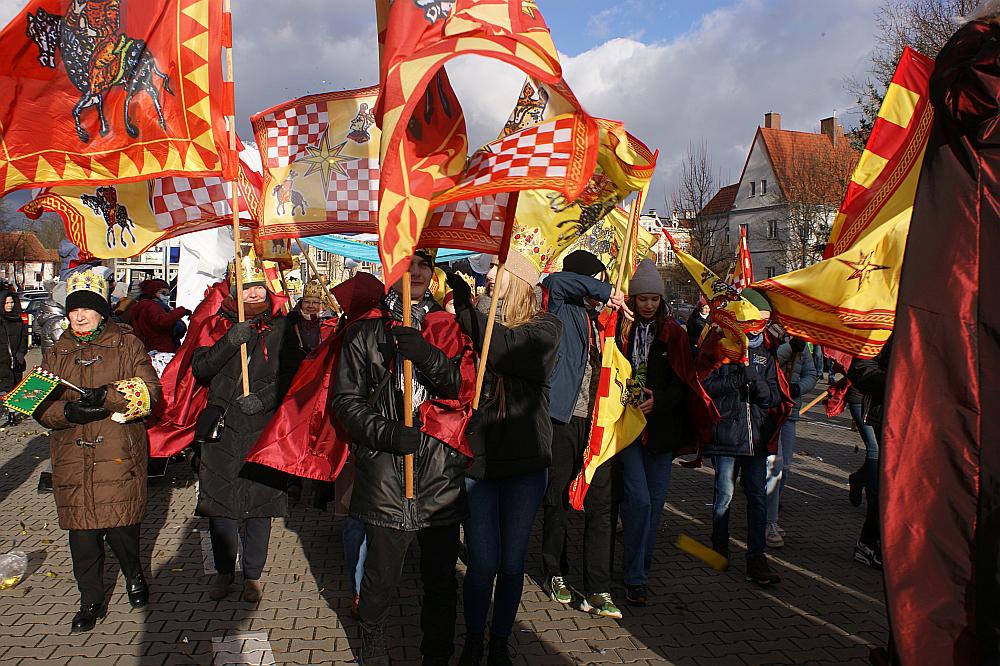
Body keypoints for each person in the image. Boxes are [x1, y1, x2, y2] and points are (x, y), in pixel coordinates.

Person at [331, 250, 476, 666]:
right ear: (390, 270)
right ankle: (371, 651)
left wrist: (427, 355)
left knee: (441, 583)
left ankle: (437, 657)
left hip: (439, 477)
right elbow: (345, 403)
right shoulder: (366, 332)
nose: (415, 272)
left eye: (424, 266)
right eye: (407, 264)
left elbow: (461, 389)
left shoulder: (448, 327)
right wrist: (389, 433)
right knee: (378, 581)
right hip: (385, 478)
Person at [449, 251, 561, 665]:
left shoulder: (546, 327)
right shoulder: (481, 319)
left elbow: (503, 349)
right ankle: (474, 638)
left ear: (518, 279)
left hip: (525, 463)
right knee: (482, 561)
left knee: (512, 562)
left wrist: (465, 305)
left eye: (498, 272)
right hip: (480, 460)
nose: (489, 278)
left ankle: (499, 641)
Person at [32, 269, 161, 632]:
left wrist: (108, 397)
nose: (79, 316)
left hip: (118, 450)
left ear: (102, 311)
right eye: (73, 311)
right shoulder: (57, 350)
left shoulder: (127, 344)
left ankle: (134, 574)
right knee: (82, 536)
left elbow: (151, 392)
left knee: (121, 529)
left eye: (87, 310)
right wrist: (65, 412)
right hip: (73, 454)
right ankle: (90, 600)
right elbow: (33, 403)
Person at [190, 256, 303, 602]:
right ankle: (224, 572)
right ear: (235, 289)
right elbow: (200, 369)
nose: (253, 292)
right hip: (221, 430)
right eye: (246, 287)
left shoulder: (283, 327)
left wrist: (264, 400)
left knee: (258, 507)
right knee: (220, 507)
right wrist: (229, 342)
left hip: (261, 429)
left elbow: (292, 377)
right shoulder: (215, 324)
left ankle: (252, 574)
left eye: (257, 286)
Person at [541, 250, 630, 619]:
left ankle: (599, 586)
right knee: (558, 499)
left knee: (602, 508)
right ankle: (555, 572)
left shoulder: (606, 321)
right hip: (565, 419)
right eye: (594, 279)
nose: (598, 289)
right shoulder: (561, 305)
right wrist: (606, 288)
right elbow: (556, 281)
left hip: (601, 425)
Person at [614, 259, 709, 606]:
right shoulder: (621, 330)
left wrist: (660, 400)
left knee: (653, 505)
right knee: (637, 500)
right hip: (627, 427)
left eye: (654, 298)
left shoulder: (675, 333)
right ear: (634, 299)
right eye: (643, 299)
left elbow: (685, 383)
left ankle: (639, 570)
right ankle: (633, 572)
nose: (648, 305)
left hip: (661, 432)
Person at [702, 288, 782, 585]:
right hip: (727, 437)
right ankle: (719, 548)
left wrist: (756, 381)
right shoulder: (718, 346)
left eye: (763, 320)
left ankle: (756, 558)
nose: (758, 326)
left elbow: (772, 397)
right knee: (724, 495)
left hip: (756, 440)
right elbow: (706, 388)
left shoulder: (766, 354)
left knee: (758, 499)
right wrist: (735, 377)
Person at [764, 333, 817, 548]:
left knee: (785, 468)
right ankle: (769, 522)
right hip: (769, 411)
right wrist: (788, 348)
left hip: (790, 412)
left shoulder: (802, 341)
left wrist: (797, 388)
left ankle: (770, 511)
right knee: (774, 467)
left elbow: (812, 373)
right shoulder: (768, 336)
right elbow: (768, 363)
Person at [847, 336, 892, 570]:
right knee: (889, 484)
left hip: (929, 417)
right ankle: (870, 543)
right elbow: (861, 368)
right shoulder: (886, 323)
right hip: (889, 415)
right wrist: (899, 380)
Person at [129, 279, 190, 353]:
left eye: (168, 294)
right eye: (163, 293)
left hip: (152, 347)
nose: (166, 297)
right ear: (152, 292)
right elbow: (162, 321)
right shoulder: (151, 305)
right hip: (158, 349)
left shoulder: (145, 305)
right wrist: (181, 311)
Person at [0, 288, 28, 425]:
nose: (9, 305)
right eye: (6, 303)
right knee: (3, 389)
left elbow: (24, 339)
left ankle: (12, 415)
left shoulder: (19, 319)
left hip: (16, 361)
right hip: (2, 361)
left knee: (14, 390)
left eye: (11, 302)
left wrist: (21, 354)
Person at [287, 281, 333, 353]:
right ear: (301, 303)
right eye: (306, 302)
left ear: (321, 304)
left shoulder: (330, 323)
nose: (310, 306)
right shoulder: (293, 321)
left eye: (315, 302)